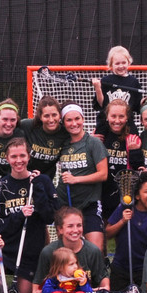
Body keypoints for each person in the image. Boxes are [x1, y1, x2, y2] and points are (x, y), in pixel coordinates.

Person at [0, 138, 59, 293]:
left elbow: (49, 217)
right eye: (14, 156)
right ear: (7, 158)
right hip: (7, 249)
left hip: (30, 252)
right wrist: (19, 215)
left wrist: (37, 189)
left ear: (29, 156)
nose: (18, 160)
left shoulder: (41, 181)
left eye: (22, 155)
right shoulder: (1, 186)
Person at [56, 103, 109, 252]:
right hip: (66, 204)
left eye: (77, 119)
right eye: (69, 120)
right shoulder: (62, 143)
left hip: (89, 204)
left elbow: (103, 174)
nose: (74, 123)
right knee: (67, 252)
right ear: (63, 123)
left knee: (95, 250)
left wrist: (76, 179)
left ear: (83, 119)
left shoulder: (93, 142)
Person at [105, 171, 147, 293]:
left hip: (143, 268)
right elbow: (107, 233)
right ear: (138, 195)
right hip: (121, 266)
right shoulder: (124, 208)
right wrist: (123, 221)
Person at [91, 45, 147, 136]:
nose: (121, 66)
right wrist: (97, 88)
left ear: (129, 62)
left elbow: (137, 105)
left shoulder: (133, 82)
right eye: (117, 63)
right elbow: (101, 104)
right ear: (111, 65)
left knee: (134, 141)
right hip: (106, 124)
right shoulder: (105, 81)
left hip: (127, 124)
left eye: (124, 62)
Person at [97, 99, 144, 218]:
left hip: (125, 190)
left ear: (127, 118)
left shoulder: (132, 138)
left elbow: (138, 166)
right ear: (107, 117)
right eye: (113, 116)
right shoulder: (100, 136)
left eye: (121, 116)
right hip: (104, 189)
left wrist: (134, 151)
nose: (117, 121)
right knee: (106, 227)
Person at [20, 95, 68, 177]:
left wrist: (91, 137)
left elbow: (80, 137)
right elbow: (9, 125)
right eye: (46, 116)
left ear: (59, 115)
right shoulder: (27, 125)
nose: (51, 120)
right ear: (40, 117)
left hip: (47, 179)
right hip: (25, 176)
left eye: (54, 115)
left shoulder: (65, 132)